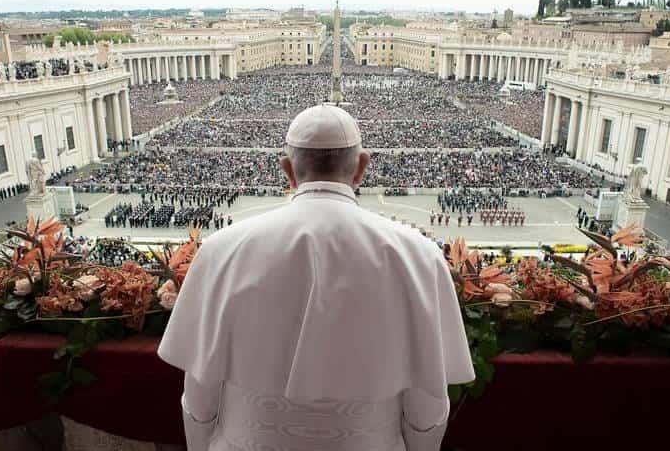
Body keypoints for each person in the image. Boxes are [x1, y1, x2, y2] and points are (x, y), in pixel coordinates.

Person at [158, 104, 474, 451]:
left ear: (287, 170)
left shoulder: (221, 250)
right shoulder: (420, 255)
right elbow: (427, 401)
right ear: (361, 168)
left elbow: (199, 394)